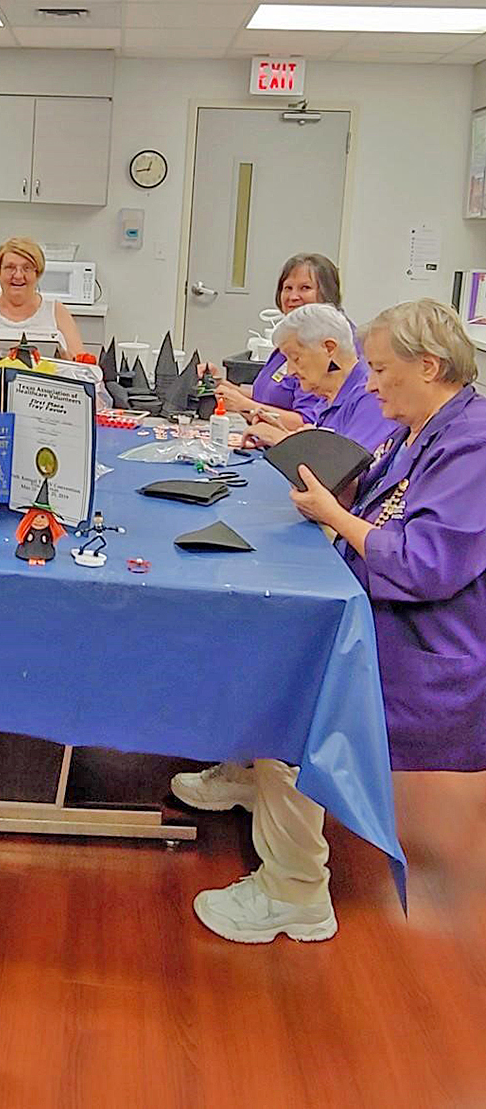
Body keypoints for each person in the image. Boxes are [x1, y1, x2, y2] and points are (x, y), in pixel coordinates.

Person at [181, 299, 486, 944]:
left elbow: (423, 563)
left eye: (379, 371)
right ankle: (247, 771)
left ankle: (295, 891)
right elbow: (380, 510)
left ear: (428, 367)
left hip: (423, 646)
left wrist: (334, 514)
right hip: (381, 607)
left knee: (291, 683)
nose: (368, 385)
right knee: (264, 631)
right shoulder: (426, 428)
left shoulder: (472, 444)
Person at [205, 253, 347, 428]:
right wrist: (221, 385)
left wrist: (245, 406)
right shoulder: (289, 340)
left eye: (305, 288)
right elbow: (267, 397)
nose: (293, 297)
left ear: (327, 294)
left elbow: (308, 423)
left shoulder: (323, 347)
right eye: (288, 288)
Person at [238, 303, 400, 452]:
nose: (290, 372)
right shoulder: (326, 397)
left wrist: (281, 440)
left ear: (329, 348)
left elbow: (346, 472)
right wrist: (286, 435)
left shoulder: (370, 396)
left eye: (295, 358)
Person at [0, 237, 85, 360]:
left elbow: (82, 366)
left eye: (27, 268)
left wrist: (67, 360)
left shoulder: (57, 311)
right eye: (10, 268)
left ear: (37, 273)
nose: (18, 275)